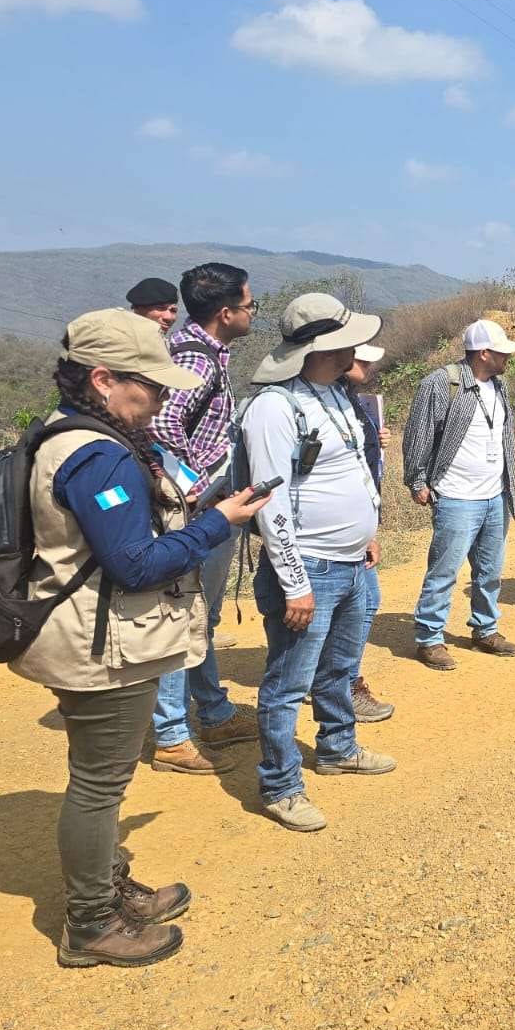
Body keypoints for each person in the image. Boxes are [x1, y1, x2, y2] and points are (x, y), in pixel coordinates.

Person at [10, 309, 270, 967]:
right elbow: (136, 566)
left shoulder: (67, 434)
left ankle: (106, 888)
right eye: (149, 387)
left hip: (91, 637)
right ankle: (91, 924)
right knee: (99, 787)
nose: (160, 400)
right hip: (101, 648)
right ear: (102, 380)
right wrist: (219, 523)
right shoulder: (99, 457)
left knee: (104, 779)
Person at [242, 293, 397, 833]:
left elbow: (349, 470)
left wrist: (368, 534)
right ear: (318, 348)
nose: (356, 347)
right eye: (346, 339)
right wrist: (295, 583)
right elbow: (271, 501)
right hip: (310, 568)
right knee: (287, 685)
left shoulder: (334, 395)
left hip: (354, 562)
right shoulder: (274, 408)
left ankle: (337, 747)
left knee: (339, 669)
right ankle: (281, 786)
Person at [146, 262, 256, 775]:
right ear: (226, 311)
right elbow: (163, 423)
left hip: (205, 505)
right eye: (250, 304)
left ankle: (211, 710)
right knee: (184, 617)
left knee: (200, 619)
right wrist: (195, 491)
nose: (253, 312)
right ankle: (171, 734)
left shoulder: (204, 351)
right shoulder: (195, 357)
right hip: (198, 509)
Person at [401, 319, 515, 670]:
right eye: (502, 352)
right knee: (444, 571)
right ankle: (429, 638)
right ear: (483, 353)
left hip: (494, 496)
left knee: (489, 570)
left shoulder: (498, 386)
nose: (507, 358)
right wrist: (417, 482)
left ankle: (485, 629)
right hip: (455, 496)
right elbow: (418, 437)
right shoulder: (441, 384)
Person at [340, 343, 395, 722]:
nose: (370, 365)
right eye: (362, 358)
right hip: (335, 528)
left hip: (356, 525)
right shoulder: (330, 401)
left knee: (360, 601)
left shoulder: (351, 400)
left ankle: (336, 680)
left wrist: (377, 440)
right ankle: (341, 683)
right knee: (358, 602)